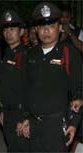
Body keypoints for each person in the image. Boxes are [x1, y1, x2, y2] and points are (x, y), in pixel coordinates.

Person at [23, 2, 82, 152]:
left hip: (57, 127)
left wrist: (74, 123)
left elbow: (79, 91)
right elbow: (27, 89)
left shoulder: (69, 53)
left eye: (51, 25)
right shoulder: (31, 54)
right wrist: (26, 118)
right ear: (36, 29)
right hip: (34, 126)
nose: (46, 30)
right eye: (42, 26)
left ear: (60, 27)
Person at [0, 9, 30, 152]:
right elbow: (5, 87)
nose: (8, 33)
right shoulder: (6, 55)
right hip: (8, 114)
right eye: (5, 30)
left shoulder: (28, 55)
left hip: (21, 115)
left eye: (12, 29)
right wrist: (3, 109)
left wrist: (26, 117)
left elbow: (33, 88)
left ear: (21, 32)